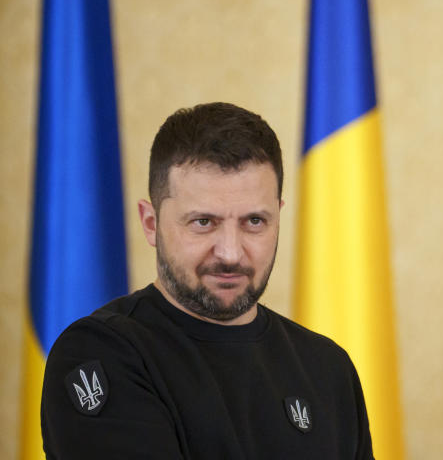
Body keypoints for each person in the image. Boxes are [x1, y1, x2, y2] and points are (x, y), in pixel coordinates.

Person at [41, 102, 373, 459]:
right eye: (203, 222)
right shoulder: (100, 353)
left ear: (279, 216)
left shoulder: (327, 368)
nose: (230, 253)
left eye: (254, 222)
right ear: (151, 223)